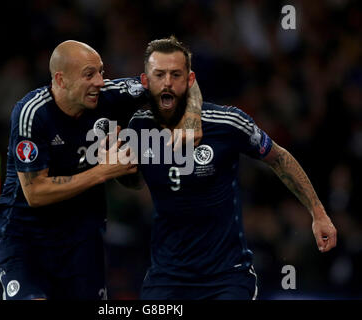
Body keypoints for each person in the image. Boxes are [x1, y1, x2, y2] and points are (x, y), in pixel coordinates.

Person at [125, 36, 337, 300]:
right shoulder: (138, 127)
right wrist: (120, 169)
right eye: (159, 75)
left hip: (226, 278)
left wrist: (318, 212)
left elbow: (279, 157)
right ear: (145, 82)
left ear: (190, 81)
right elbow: (134, 180)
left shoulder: (228, 123)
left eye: (176, 75)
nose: (167, 82)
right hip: (166, 277)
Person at [0, 40, 202, 300]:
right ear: (61, 79)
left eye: (101, 72)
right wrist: (104, 171)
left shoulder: (112, 96)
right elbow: (35, 192)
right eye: (89, 74)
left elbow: (182, 81)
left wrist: (192, 119)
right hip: (26, 239)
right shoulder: (32, 114)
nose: (101, 82)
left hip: (82, 238)